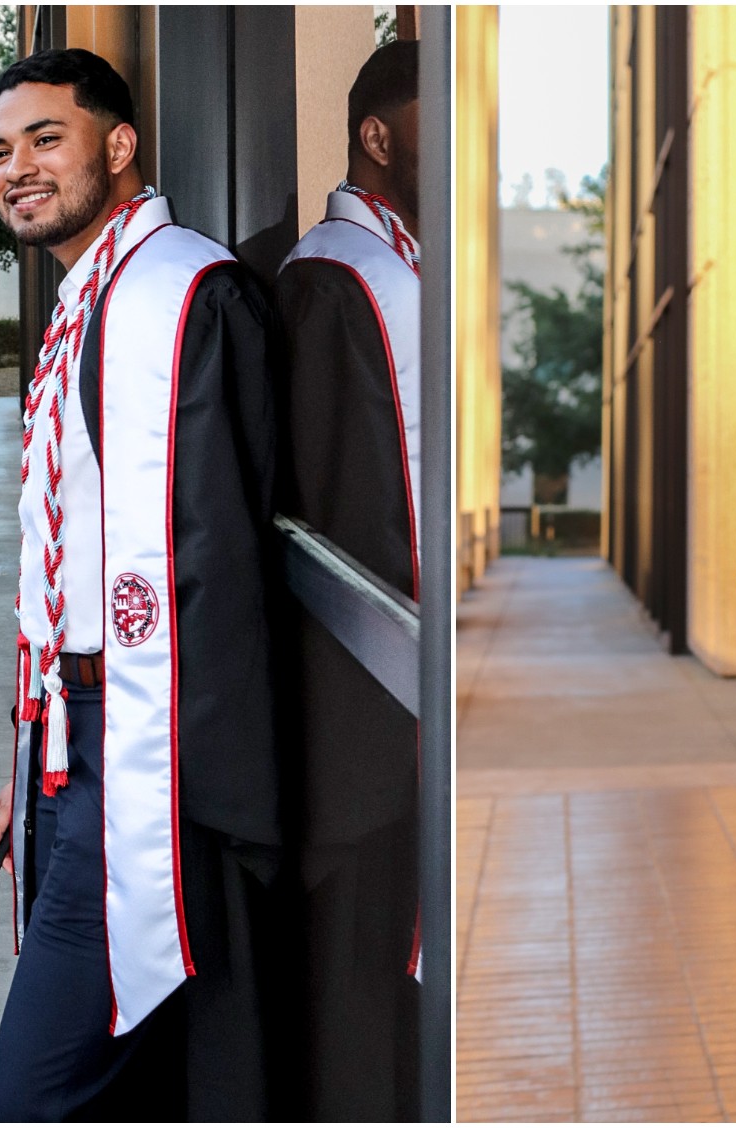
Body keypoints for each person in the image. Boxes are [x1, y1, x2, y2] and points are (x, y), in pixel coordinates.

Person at [0, 48, 283, 1121]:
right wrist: (35, 751)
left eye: (44, 139)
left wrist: (210, 799)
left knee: (40, 1088)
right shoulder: (80, 307)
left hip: (153, 752)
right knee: (126, 1082)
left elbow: (220, 569)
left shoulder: (184, 295)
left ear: (118, 145)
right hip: (77, 741)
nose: (16, 167)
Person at [272, 38, 423, 1122]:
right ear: (376, 135)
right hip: (368, 715)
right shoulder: (332, 279)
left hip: (415, 699)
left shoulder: (404, 263)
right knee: (360, 980)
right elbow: (330, 526)